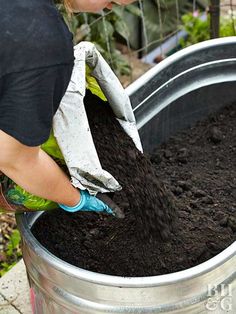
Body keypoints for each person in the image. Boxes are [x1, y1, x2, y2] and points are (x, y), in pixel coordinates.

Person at [0, 0, 136, 214]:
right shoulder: (42, 42)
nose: (109, 8)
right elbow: (12, 157)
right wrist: (76, 199)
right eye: (113, 1)